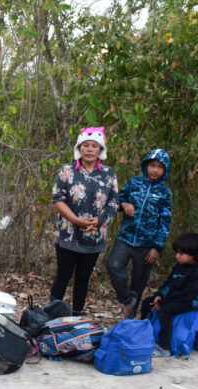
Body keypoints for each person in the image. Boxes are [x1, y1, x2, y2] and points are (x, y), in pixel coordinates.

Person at [50, 126, 119, 315]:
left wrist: (99, 220)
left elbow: (114, 201)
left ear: (100, 150)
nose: (89, 149)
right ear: (79, 148)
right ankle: (52, 314)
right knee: (63, 275)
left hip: (94, 235)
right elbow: (57, 199)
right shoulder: (67, 171)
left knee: (83, 277)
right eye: (85, 145)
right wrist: (76, 220)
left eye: (94, 146)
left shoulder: (109, 173)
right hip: (68, 233)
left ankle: (77, 315)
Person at [106, 149, 172, 319]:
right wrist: (125, 203)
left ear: (165, 170)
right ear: (146, 166)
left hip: (147, 245)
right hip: (126, 238)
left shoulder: (165, 193)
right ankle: (127, 299)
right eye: (152, 165)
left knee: (138, 282)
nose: (155, 170)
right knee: (113, 264)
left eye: (159, 167)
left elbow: (164, 222)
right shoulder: (134, 183)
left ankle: (128, 322)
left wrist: (157, 247)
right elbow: (118, 200)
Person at [138, 233, 198, 357]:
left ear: (193, 255)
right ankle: (144, 334)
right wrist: (159, 295)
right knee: (147, 303)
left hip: (190, 301)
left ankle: (164, 347)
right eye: (176, 252)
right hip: (174, 297)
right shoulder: (179, 267)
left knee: (166, 310)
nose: (177, 256)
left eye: (181, 254)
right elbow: (169, 284)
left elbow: (189, 294)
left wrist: (164, 302)